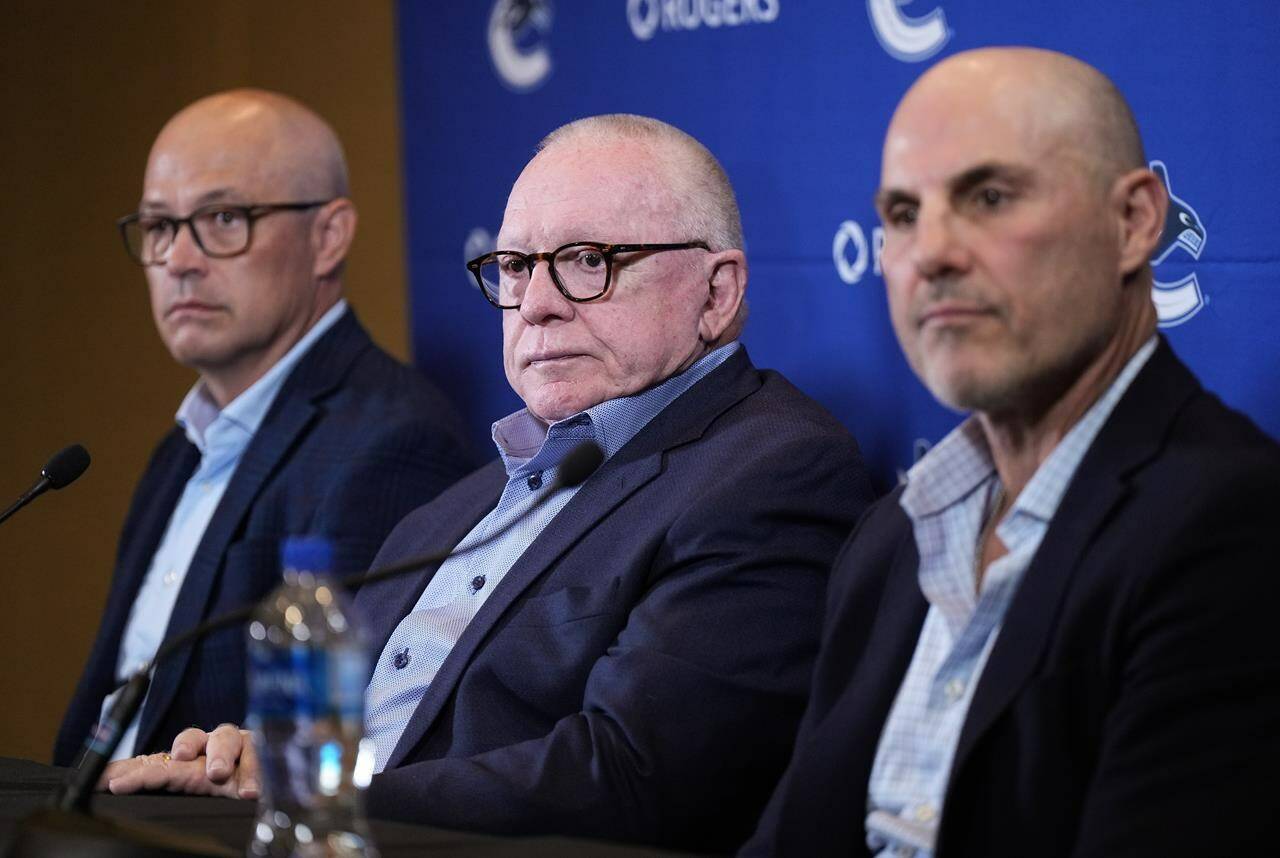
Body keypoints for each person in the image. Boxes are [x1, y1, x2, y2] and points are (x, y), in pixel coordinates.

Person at [101, 114, 875, 852]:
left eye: (588, 262)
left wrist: (311, 788)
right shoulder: (457, 509)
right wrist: (246, 761)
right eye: (513, 267)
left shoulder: (770, 473)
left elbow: (635, 777)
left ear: (716, 294)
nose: (535, 306)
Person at [743, 47, 1280, 857]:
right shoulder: (891, 537)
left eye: (988, 197)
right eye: (901, 215)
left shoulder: (1234, 527)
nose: (931, 253)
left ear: (1135, 222)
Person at [55, 90, 476, 768]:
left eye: (223, 218)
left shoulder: (393, 444)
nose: (178, 260)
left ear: (329, 236)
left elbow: (332, 755)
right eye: (160, 226)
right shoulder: (181, 449)